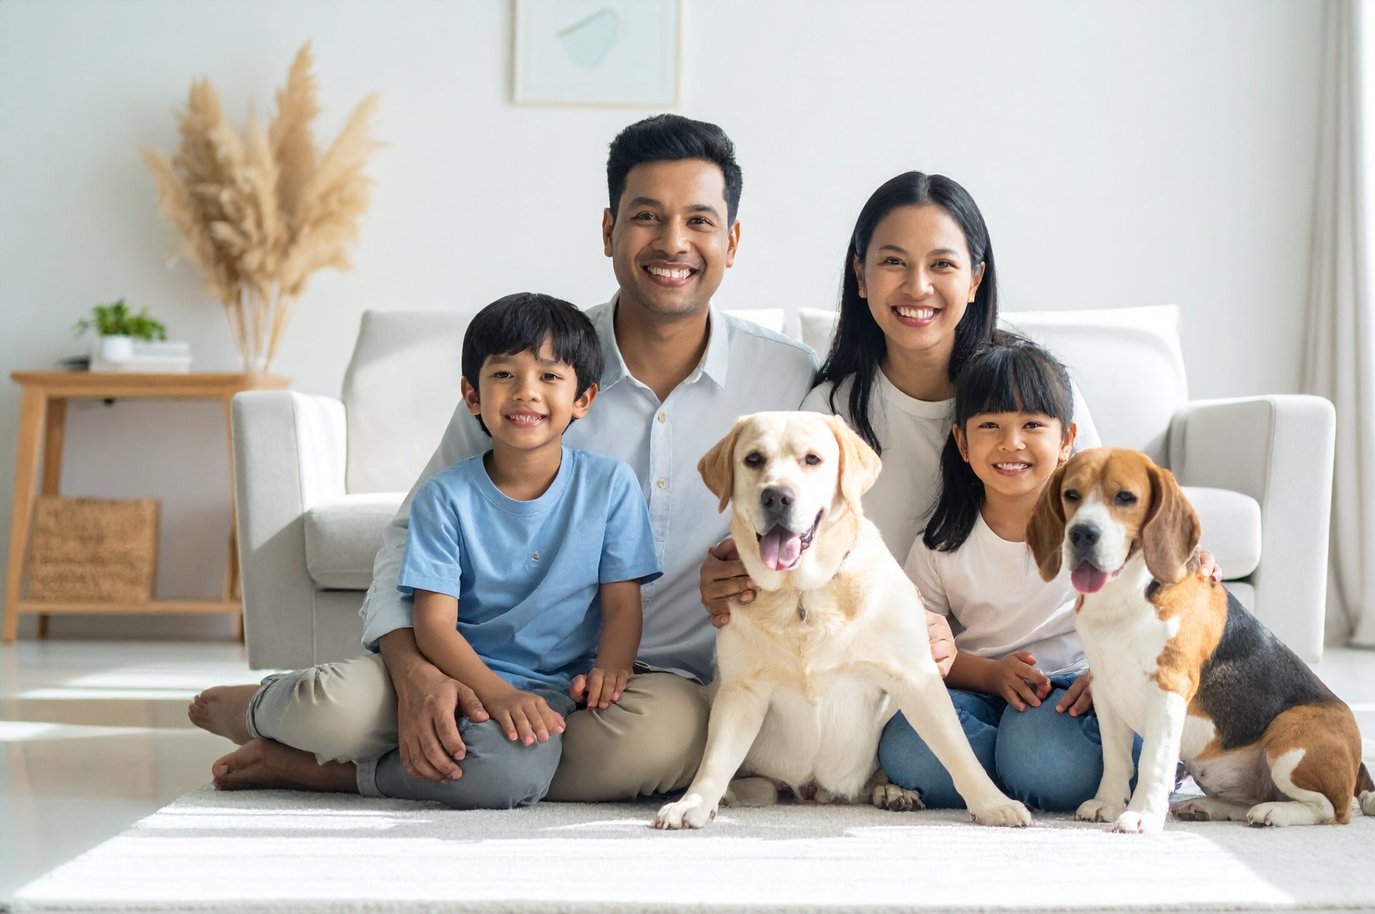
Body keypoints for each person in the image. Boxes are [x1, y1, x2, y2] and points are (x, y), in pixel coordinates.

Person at [190, 114, 819, 802]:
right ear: (609, 230)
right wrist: (413, 670)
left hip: (648, 692)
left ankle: (342, 770)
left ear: (731, 241)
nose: (674, 243)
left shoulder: (788, 382)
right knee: (339, 710)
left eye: (699, 221)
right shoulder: (533, 372)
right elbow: (411, 539)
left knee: (660, 746)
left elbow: (836, 520)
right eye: (647, 216)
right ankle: (279, 708)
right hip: (476, 659)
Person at [190, 293, 664, 808]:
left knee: (509, 776)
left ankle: (321, 772)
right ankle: (254, 708)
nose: (526, 393)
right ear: (472, 395)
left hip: (546, 691)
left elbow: (622, 604)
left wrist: (609, 675)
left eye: (549, 377)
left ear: (584, 399)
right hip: (442, 669)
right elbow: (434, 625)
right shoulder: (446, 495)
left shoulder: (611, 486)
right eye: (504, 375)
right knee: (323, 705)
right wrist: (492, 691)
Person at [699, 171, 1101, 619]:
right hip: (888, 654)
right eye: (893, 262)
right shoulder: (829, 415)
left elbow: (1116, 520)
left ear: (974, 280)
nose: (918, 286)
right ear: (861, 275)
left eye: (942, 264)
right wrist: (736, 575)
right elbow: (792, 551)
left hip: (1045, 664)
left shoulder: (1036, 393)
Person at [874, 336, 1107, 811]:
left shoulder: (1096, 530)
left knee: (1044, 754)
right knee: (906, 749)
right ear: (962, 441)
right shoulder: (943, 542)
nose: (1011, 442)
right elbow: (919, 647)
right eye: (990, 425)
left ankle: (1017, 763)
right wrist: (992, 675)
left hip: (1074, 693)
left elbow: (1148, 614)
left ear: (1066, 441)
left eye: (1032, 425)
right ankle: (1008, 765)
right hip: (980, 690)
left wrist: (1109, 675)